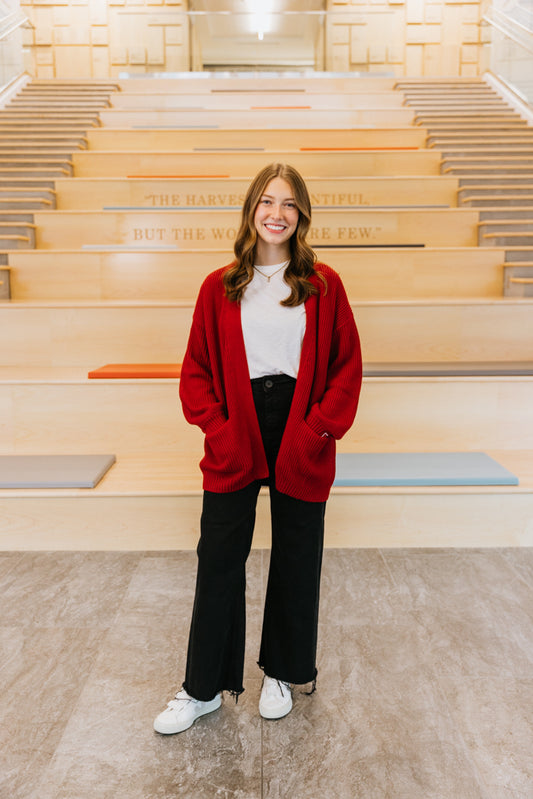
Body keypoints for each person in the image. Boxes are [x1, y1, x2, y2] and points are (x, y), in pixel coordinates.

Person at [154, 162, 362, 735]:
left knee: (298, 556)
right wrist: (220, 431)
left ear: (302, 216)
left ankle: (281, 672)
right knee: (218, 559)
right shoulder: (218, 286)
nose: (277, 213)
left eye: (289, 204)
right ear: (251, 210)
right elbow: (195, 373)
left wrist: (315, 431)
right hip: (236, 432)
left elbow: (347, 370)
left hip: (300, 431)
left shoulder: (324, 285)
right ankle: (201, 689)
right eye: (267, 202)